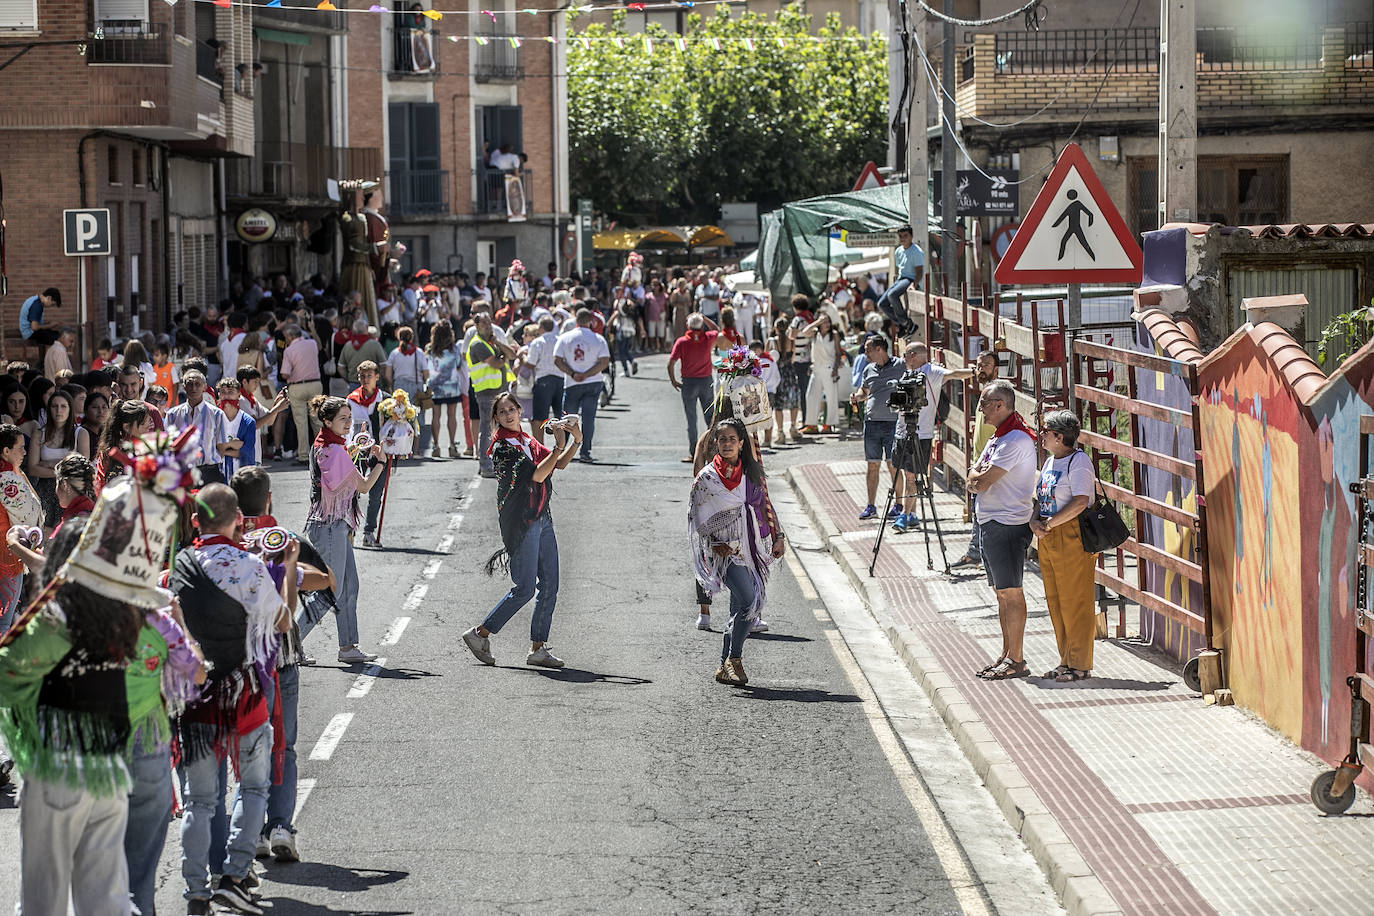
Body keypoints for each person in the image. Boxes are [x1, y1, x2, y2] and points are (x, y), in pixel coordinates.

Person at [0, 520, 144, 916]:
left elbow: (5, 673)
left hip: (58, 767)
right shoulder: (124, 609)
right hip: (109, 769)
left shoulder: (56, 612)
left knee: (41, 903)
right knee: (105, 903)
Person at [171, 483, 294, 915]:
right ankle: (235, 875)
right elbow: (280, 623)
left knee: (200, 801)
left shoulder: (180, 567)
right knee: (254, 785)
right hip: (245, 693)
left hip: (197, 696)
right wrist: (282, 570)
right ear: (238, 519)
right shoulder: (250, 566)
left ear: (195, 521)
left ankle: (195, 892)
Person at [461, 391, 579, 669]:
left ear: (519, 410)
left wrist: (575, 440)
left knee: (550, 583)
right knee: (525, 588)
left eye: (512, 409)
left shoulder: (526, 439)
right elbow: (537, 474)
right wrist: (558, 447)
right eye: (502, 412)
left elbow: (556, 465)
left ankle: (538, 648)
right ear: (497, 418)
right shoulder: (502, 447)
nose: (509, 414)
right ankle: (480, 633)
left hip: (542, 516)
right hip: (522, 521)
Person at [688, 417, 786, 686]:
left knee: (738, 609)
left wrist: (778, 536)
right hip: (722, 554)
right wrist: (713, 542)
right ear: (715, 444)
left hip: (750, 549)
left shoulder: (751, 475)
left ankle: (723, 666)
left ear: (742, 443)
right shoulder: (706, 478)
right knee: (749, 600)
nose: (728, 444)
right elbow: (696, 514)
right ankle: (736, 658)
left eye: (733, 439)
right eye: (723, 439)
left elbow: (765, 504)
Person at [301, 395, 387, 664]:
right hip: (329, 525)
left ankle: (348, 646)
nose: (349, 423)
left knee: (349, 586)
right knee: (331, 590)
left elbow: (346, 475)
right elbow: (362, 486)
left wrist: (358, 451)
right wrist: (380, 463)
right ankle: (289, 640)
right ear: (327, 420)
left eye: (350, 417)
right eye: (343, 418)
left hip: (333, 523)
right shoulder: (334, 450)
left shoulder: (328, 443)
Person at [968, 380, 1039, 681]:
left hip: (1007, 524)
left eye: (984, 403)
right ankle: (1007, 653)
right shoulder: (997, 438)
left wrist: (976, 479)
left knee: (1011, 592)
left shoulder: (1015, 441)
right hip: (990, 522)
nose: (980, 408)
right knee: (1001, 594)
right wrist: (976, 478)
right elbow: (973, 471)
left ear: (1000, 405)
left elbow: (980, 481)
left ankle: (1018, 659)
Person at [1031, 410, 1098, 682]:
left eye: (1046, 431)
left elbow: (1081, 501)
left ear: (1060, 436)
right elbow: (1040, 497)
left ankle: (1080, 664)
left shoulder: (1079, 461)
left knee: (1076, 601)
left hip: (1071, 533)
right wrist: (1035, 521)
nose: (1041, 435)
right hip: (1048, 534)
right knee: (1056, 600)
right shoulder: (1050, 461)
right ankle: (1066, 660)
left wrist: (1051, 523)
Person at [891, 342, 974, 534]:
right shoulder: (907, 374)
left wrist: (974, 371)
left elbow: (953, 374)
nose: (903, 359)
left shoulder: (932, 372)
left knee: (912, 477)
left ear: (912, 355)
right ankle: (912, 515)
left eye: (905, 355)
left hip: (921, 434)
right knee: (906, 474)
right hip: (902, 431)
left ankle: (904, 516)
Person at [851, 334, 907, 521]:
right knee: (872, 465)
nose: (864, 352)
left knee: (893, 465)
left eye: (867, 348)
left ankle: (899, 505)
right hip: (872, 423)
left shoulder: (900, 365)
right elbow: (864, 391)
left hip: (893, 424)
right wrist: (857, 397)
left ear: (879, 349)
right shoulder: (868, 369)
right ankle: (871, 506)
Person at [953, 350, 1000, 568]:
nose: (981, 369)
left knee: (985, 507)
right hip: (980, 458)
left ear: (996, 369)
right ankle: (977, 551)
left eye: (987, 365)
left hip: (992, 460)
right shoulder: (984, 391)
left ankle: (979, 553)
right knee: (979, 506)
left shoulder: (998, 392)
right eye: (979, 365)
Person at [553, 308, 610, 464]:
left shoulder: (565, 338)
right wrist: (588, 374)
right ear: (590, 321)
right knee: (589, 418)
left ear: (575, 320)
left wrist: (573, 374)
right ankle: (585, 451)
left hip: (572, 383)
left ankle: (561, 449)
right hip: (592, 382)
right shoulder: (598, 339)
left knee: (566, 419)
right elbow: (604, 361)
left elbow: (557, 360)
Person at [165, 370, 238, 486]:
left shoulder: (216, 414)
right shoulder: (173, 415)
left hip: (209, 472)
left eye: (197, 384)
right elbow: (167, 445)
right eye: (189, 384)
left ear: (204, 387)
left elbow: (222, 446)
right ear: (184, 387)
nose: (193, 388)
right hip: (182, 472)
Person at [0, 424, 40, 629]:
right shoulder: (8, 479)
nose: (25, 452)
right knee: (4, 622)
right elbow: (31, 515)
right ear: (6, 451)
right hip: (6, 558)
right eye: (20, 447)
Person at [347, 361, 391, 548]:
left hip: (379, 452)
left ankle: (368, 532)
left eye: (369, 376)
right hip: (356, 452)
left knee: (375, 493)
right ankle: (349, 529)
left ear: (377, 377)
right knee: (351, 492)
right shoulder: (350, 400)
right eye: (362, 376)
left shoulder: (387, 401)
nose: (365, 380)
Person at [667, 313, 718, 463]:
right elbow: (716, 328)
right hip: (705, 381)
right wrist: (704, 318)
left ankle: (694, 453)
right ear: (701, 325)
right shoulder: (708, 338)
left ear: (688, 326)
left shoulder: (682, 342)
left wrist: (673, 380)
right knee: (710, 417)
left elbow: (670, 363)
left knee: (691, 419)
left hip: (689, 383)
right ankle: (712, 450)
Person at [464, 315, 511, 471]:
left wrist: (497, 342)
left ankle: (493, 461)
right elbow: (496, 363)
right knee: (486, 428)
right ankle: (485, 464)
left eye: (489, 323)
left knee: (496, 428)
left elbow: (511, 354)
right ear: (476, 326)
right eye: (484, 323)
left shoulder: (490, 343)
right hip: (486, 392)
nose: (488, 326)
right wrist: (503, 358)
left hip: (497, 390)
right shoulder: (477, 344)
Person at [27, 387, 76, 527]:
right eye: (54, 406)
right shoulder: (39, 433)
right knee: (44, 531)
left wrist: (48, 463)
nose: (59, 411)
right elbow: (32, 469)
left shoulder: (80, 433)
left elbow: (78, 468)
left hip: (70, 490)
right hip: (45, 490)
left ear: (70, 408)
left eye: (63, 406)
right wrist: (63, 467)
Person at [797, 307, 846, 434]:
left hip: (829, 368)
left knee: (831, 397)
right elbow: (804, 331)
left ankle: (829, 424)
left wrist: (836, 368)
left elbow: (838, 353)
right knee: (811, 395)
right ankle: (812, 424)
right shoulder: (814, 333)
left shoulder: (834, 334)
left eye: (828, 321)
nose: (827, 324)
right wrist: (817, 322)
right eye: (825, 322)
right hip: (816, 368)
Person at [279, 325, 323, 465]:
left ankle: (303, 455)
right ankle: (322, 452)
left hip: (297, 386)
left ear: (291, 337)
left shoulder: (289, 350)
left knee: (301, 423)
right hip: (315, 384)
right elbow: (320, 347)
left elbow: (285, 374)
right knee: (317, 420)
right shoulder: (312, 343)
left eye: (286, 337)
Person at [94, 398, 154, 492]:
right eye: (142, 423)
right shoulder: (111, 452)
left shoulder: (148, 447)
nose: (148, 426)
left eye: (149, 421)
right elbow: (103, 486)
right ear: (126, 427)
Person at [875, 225, 923, 336]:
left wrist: (913, 284)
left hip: (910, 278)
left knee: (892, 295)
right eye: (900, 236)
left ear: (911, 236)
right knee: (881, 303)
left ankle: (907, 323)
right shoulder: (898, 251)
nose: (902, 238)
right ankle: (902, 323)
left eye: (905, 236)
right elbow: (899, 268)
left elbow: (919, 271)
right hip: (900, 279)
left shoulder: (916, 251)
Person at [525, 316, 564, 446]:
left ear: (541, 328)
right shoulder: (560, 340)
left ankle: (539, 446)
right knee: (559, 417)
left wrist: (522, 356)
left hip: (543, 381)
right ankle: (560, 445)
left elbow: (530, 363)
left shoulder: (538, 342)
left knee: (539, 417)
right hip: (559, 379)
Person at [768, 316, 801, 443]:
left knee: (778, 406)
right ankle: (793, 427)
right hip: (790, 372)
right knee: (793, 401)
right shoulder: (791, 341)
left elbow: (768, 357)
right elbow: (793, 357)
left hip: (778, 373)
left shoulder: (773, 341)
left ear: (776, 328)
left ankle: (780, 432)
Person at [216, 378, 257, 480]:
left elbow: (247, 451)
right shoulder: (214, 419)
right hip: (219, 474)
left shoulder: (248, 422)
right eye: (223, 392)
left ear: (239, 395)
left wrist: (223, 449)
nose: (226, 396)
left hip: (243, 475)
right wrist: (231, 445)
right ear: (219, 395)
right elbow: (211, 449)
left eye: (230, 392)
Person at [385, 325, 428, 398]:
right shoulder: (419, 352)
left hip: (399, 386)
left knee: (401, 409)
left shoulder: (394, 353)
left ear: (399, 337)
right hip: (416, 386)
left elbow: (387, 374)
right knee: (416, 409)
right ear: (411, 337)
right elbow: (426, 373)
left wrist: (390, 385)